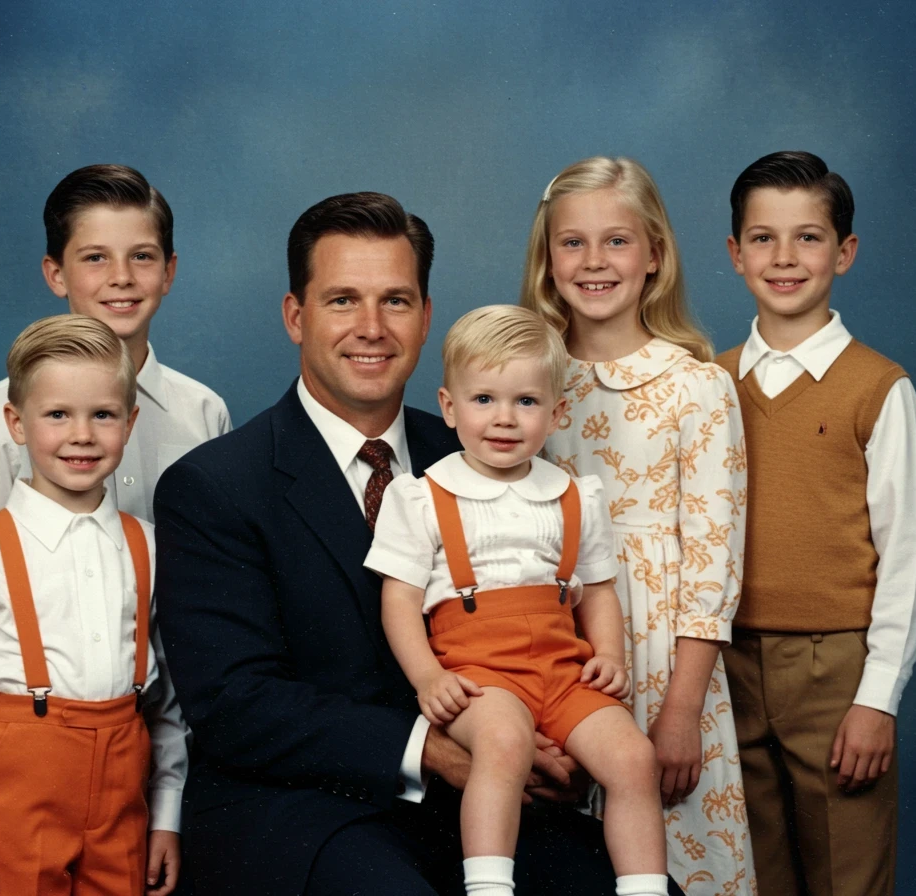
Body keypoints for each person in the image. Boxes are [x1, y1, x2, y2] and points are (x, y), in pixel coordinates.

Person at [153, 192, 620, 895]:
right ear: (295, 316)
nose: (371, 328)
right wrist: (436, 753)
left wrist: (559, 737)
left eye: (396, 301)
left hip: (481, 803)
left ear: (427, 318)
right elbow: (234, 703)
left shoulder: (486, 452)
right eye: (342, 300)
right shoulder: (215, 486)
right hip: (305, 811)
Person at [366, 304, 669, 896]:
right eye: (484, 401)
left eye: (526, 402)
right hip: (479, 673)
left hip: (562, 672)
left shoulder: (573, 495)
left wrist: (608, 654)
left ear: (556, 412)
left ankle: (644, 888)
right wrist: (428, 678)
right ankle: (488, 887)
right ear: (450, 407)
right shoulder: (423, 496)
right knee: (503, 744)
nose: (504, 420)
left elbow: (598, 590)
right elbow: (399, 602)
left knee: (633, 757)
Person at [523, 157, 756, 896]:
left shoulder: (698, 386)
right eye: (573, 244)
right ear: (547, 260)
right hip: (555, 656)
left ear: (654, 255)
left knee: (677, 860)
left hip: (665, 667)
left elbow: (713, 566)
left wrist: (681, 711)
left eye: (616, 242)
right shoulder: (527, 384)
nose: (594, 262)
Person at [0, 314, 189, 896]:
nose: (81, 434)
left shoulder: (152, 549)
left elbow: (168, 708)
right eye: (57, 414)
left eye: (103, 414)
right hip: (18, 796)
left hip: (123, 798)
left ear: (130, 423)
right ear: (15, 422)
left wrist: (166, 817)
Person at [716, 150, 916, 896]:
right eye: (764, 238)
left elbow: (904, 557)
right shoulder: (709, 385)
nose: (784, 258)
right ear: (736, 253)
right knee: (753, 870)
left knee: (845, 873)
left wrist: (876, 699)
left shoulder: (879, 388)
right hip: (727, 664)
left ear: (844, 252)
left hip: (835, 670)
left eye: (807, 238)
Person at [0, 164, 230, 539]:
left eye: (142, 256)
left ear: (168, 272)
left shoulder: (204, 412)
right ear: (56, 274)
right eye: (96, 257)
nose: (122, 277)